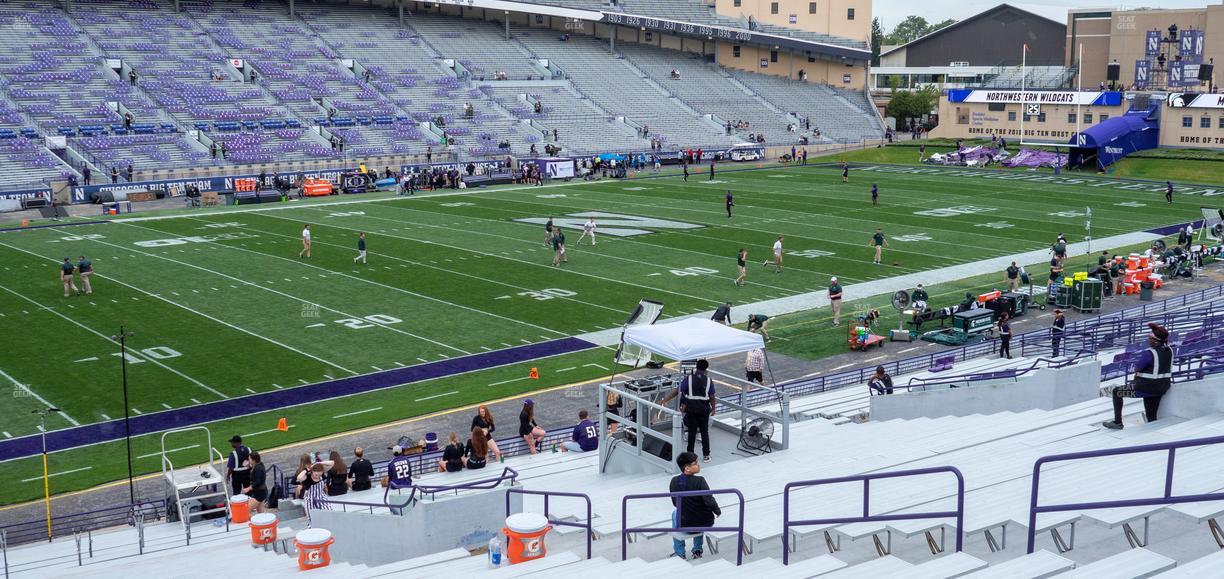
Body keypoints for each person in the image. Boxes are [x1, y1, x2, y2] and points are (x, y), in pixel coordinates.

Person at [1103, 323, 1173, 430]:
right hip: (1162, 386)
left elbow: (1137, 368)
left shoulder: (1149, 353)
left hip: (1146, 387)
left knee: (1117, 392)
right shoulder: (1170, 351)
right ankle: (1152, 429)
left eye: (1149, 338)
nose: (1148, 340)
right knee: (1151, 415)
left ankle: (1118, 422)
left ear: (1155, 341)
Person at [658, 360, 716, 462]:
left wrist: (665, 400)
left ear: (696, 367)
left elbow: (677, 391)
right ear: (706, 368)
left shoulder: (688, 379)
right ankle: (706, 455)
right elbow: (712, 396)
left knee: (691, 432)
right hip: (704, 409)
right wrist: (713, 408)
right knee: (704, 432)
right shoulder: (709, 380)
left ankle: (690, 454)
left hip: (692, 408)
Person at [668, 452, 721, 559]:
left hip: (685, 524)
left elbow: (675, 503)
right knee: (700, 513)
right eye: (695, 463)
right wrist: (717, 511)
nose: (698, 465)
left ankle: (680, 552)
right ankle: (697, 550)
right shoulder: (700, 481)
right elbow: (709, 501)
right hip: (704, 523)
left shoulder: (674, 481)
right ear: (687, 468)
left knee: (675, 513)